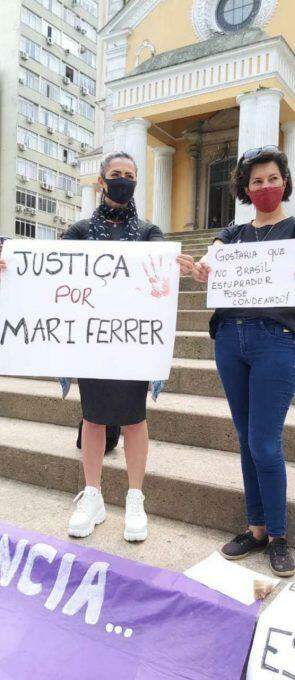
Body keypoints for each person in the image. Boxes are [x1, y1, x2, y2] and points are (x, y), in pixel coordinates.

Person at [54, 151, 192, 542]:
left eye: (129, 175)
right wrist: (11, 265)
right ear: (101, 180)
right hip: (91, 341)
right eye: (115, 174)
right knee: (93, 417)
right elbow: (50, 276)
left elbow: (161, 279)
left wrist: (175, 266)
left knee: (134, 419)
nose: (122, 180)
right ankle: (93, 495)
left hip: (133, 343)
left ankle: (135, 497)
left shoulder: (150, 233)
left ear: (136, 181)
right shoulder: (79, 231)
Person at [191, 146, 295, 576]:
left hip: (278, 340)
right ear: (245, 189)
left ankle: (279, 535)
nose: (265, 187)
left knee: (264, 443)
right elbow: (211, 254)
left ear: (285, 182)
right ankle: (254, 529)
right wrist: (201, 265)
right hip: (231, 340)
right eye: (256, 181)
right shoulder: (233, 235)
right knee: (244, 435)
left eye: (272, 178)